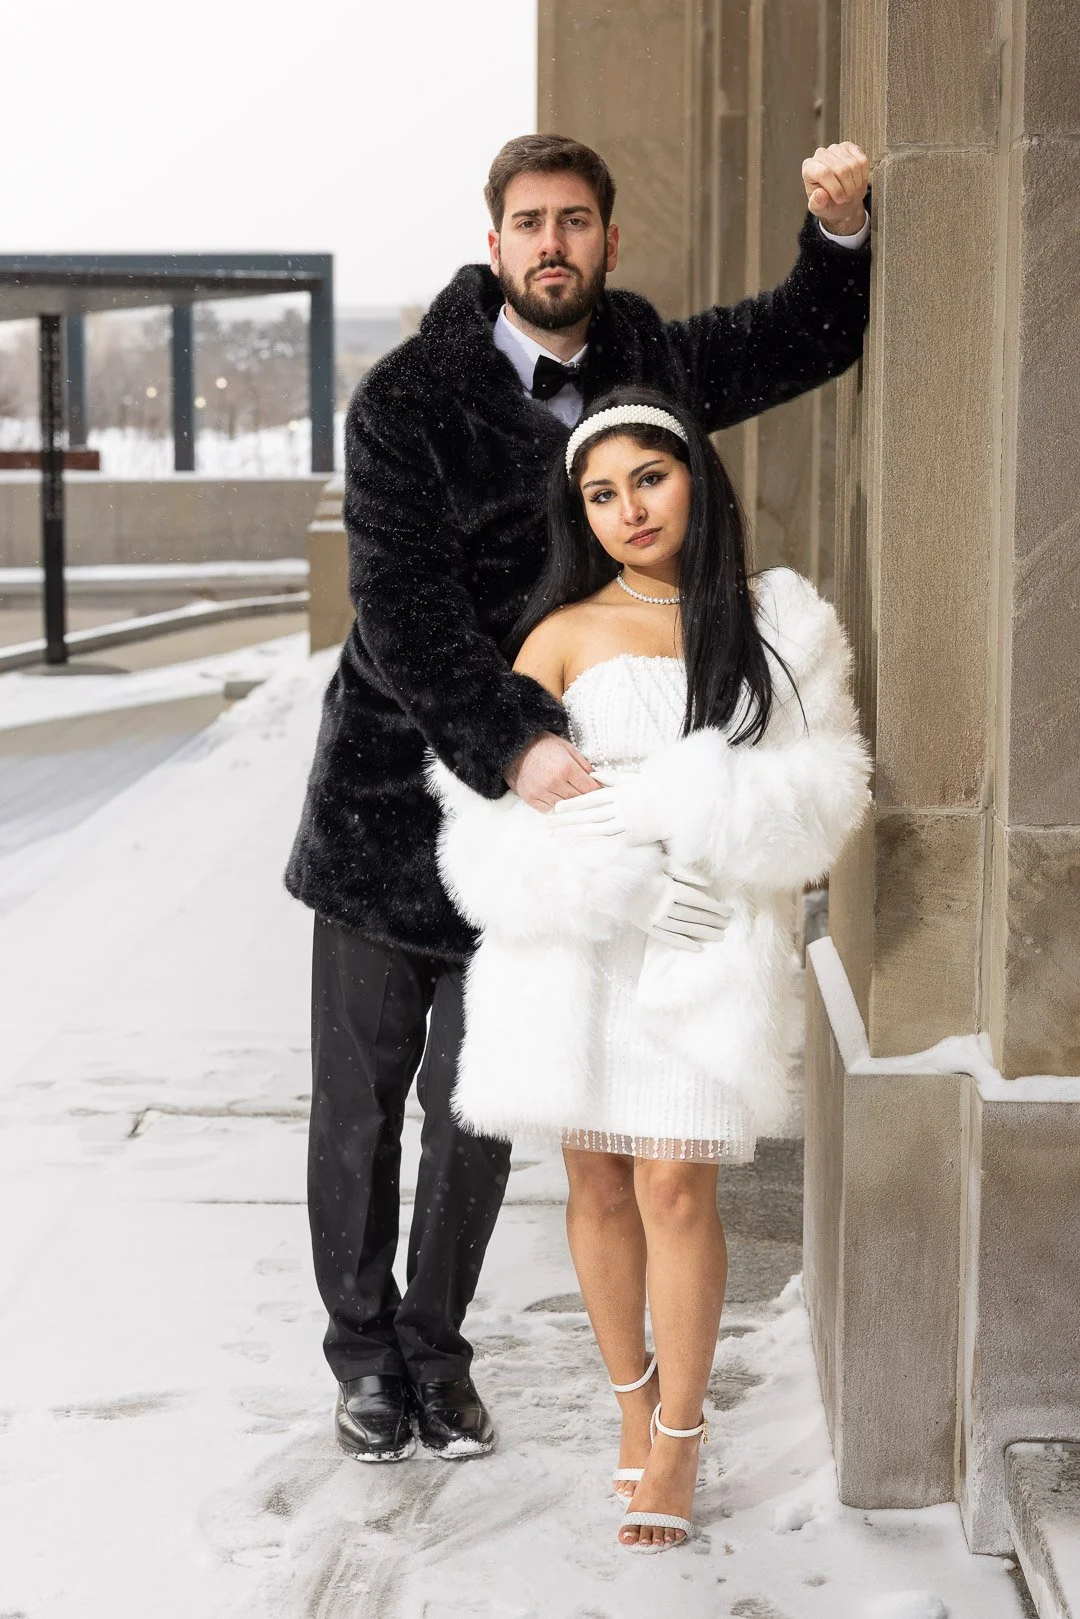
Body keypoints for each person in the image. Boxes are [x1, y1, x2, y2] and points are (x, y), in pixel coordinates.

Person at [285, 132, 872, 1465]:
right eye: (529, 222)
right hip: (398, 800)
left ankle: (439, 1350)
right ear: (494, 243)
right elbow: (403, 609)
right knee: (364, 1098)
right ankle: (363, 1353)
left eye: (577, 221)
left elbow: (800, 337)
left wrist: (840, 229)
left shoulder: (646, 361)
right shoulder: (407, 398)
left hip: (563, 820)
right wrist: (514, 738)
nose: (552, 243)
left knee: (485, 1097)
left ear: (608, 240)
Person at [427, 387, 871, 1549]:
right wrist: (609, 875)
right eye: (601, 492)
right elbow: (485, 822)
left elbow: (826, 797)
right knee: (599, 1186)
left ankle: (681, 1434)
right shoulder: (560, 631)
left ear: (695, 479)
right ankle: (632, 1408)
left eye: (650, 479)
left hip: (709, 939)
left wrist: (693, 810)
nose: (629, 508)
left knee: (679, 1185)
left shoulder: (778, 629)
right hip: (584, 949)